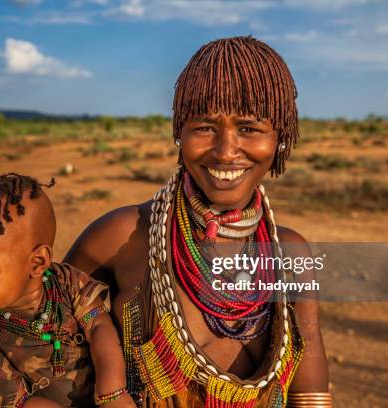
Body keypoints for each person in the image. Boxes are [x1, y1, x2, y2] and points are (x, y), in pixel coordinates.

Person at [65, 37, 331, 407]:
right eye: (204, 127)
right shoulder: (122, 237)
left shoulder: (290, 252)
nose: (225, 152)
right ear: (179, 132)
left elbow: (308, 376)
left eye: (249, 128)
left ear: (280, 137)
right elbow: (46, 337)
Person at [0, 173, 136, 407]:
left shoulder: (65, 282)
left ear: (37, 262)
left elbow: (97, 324)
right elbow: (23, 403)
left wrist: (113, 393)